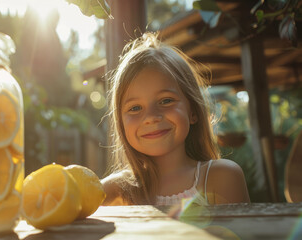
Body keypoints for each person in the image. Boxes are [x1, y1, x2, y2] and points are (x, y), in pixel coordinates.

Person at [101, 31, 250, 206]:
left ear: (193, 111)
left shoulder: (221, 177)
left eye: (166, 101)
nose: (151, 117)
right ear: (121, 123)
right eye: (135, 108)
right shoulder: (113, 191)